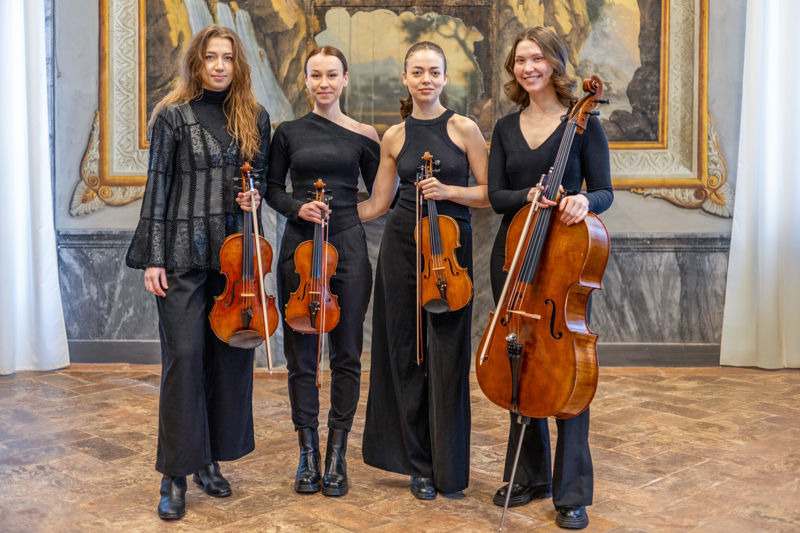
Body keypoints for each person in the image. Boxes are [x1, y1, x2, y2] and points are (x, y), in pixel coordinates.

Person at [125, 25, 270, 521]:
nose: (219, 66)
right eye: (210, 57)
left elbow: (259, 181)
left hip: (233, 262)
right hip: (181, 256)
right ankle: (174, 474)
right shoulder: (172, 115)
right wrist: (154, 257)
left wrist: (254, 196)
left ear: (238, 64)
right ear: (197, 62)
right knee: (184, 360)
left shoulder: (255, 116)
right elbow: (158, 187)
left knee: (227, 360)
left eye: (227, 58)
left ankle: (209, 459)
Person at [486, 27, 613, 530]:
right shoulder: (504, 127)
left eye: (537, 58)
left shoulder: (584, 124)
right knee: (520, 361)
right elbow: (496, 196)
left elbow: (604, 191)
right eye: (521, 60)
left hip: (563, 259)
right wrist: (527, 196)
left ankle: (571, 492)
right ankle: (529, 476)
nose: (528, 67)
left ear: (555, 64)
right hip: (515, 255)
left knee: (568, 370)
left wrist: (582, 200)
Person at [359, 41, 489, 500]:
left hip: (449, 248)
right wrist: (327, 216)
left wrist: (449, 191)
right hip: (402, 246)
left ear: (445, 78)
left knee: (447, 355)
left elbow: (490, 192)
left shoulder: (464, 128)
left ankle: (447, 465)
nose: (426, 79)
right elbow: (378, 203)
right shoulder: (394, 136)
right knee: (405, 351)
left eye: (434, 72)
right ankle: (416, 464)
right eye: (417, 72)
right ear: (405, 78)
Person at [265, 46, 379, 498]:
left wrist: (346, 216)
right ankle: (307, 454)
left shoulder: (364, 134)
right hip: (300, 246)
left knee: (346, 352)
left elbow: (381, 194)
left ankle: (337, 455)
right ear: (306, 80)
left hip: (347, 247)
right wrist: (299, 207)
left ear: (345, 79)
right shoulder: (287, 133)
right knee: (301, 354)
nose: (324, 83)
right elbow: (272, 189)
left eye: (332, 75)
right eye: (316, 75)